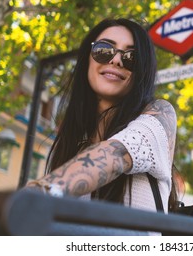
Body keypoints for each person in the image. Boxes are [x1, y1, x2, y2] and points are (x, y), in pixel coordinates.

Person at [26, 17, 179, 215]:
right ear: (87, 59)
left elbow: (116, 153)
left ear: (142, 71)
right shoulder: (69, 145)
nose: (115, 59)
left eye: (131, 57)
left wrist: (35, 194)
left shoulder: (159, 116)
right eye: (103, 50)